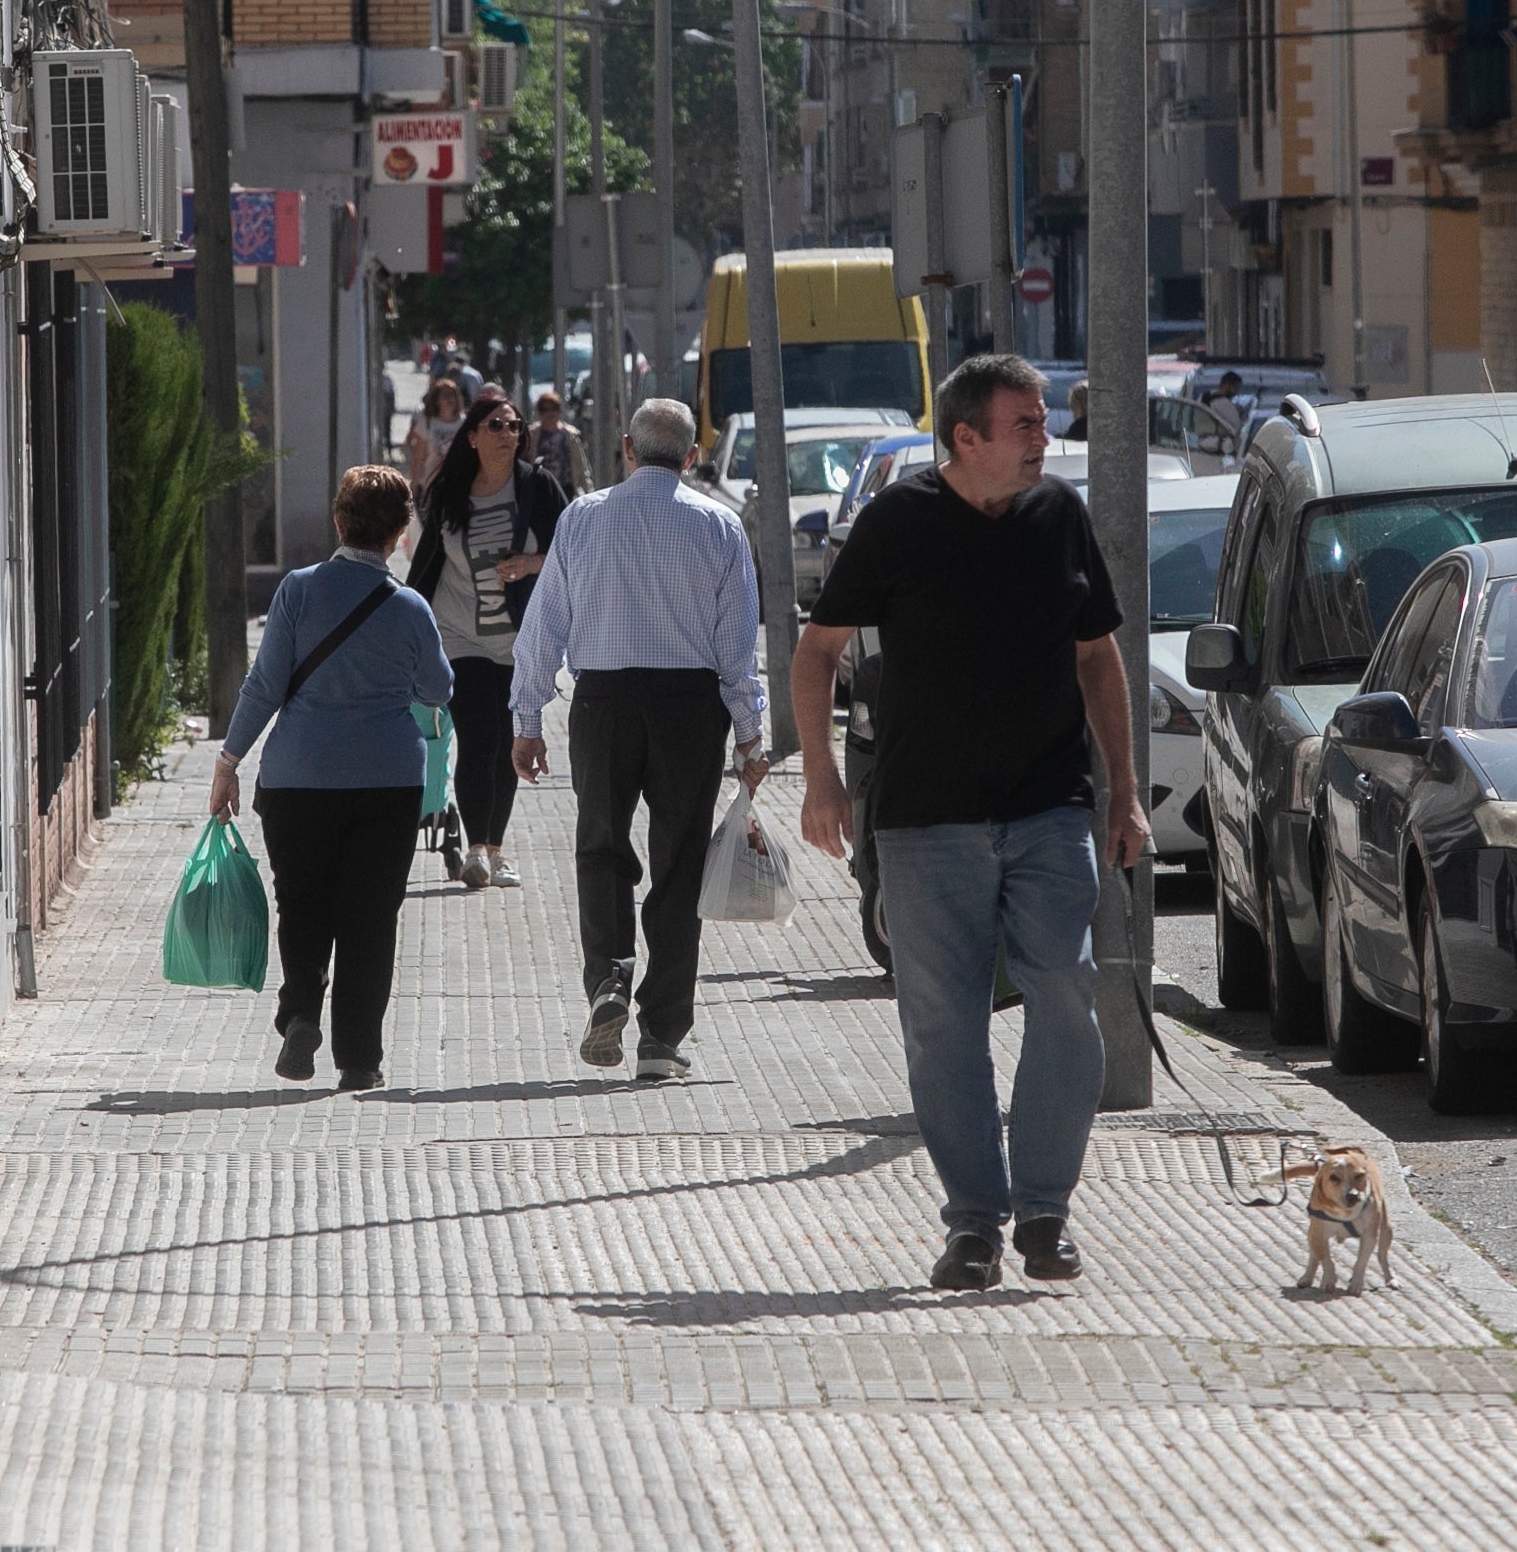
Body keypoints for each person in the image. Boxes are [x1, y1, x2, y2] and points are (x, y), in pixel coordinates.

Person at [790, 353, 1147, 1292]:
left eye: (1042, 420)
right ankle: (975, 1225)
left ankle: (1046, 1209)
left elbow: (1098, 657)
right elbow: (817, 651)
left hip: (1049, 807)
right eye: (1024, 423)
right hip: (924, 819)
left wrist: (1125, 791)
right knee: (944, 1026)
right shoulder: (896, 522)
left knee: (1064, 993)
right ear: (966, 437)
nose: (1043, 437)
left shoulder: (1059, 514)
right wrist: (820, 775)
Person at [509, 398, 768, 1082]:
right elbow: (736, 646)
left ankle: (608, 980)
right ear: (691, 456)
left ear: (627, 448)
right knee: (679, 864)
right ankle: (660, 1035)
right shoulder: (719, 524)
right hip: (690, 709)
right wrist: (750, 735)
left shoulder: (582, 517)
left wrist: (527, 720)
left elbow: (544, 626)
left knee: (601, 846)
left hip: (603, 703)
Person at [211, 465, 454, 1093]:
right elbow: (439, 688)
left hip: (298, 780)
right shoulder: (410, 607)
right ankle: (360, 1059)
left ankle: (300, 1013)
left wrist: (228, 762)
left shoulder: (297, 590)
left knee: (302, 905)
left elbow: (265, 685)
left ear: (339, 521)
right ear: (399, 535)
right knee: (371, 917)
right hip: (388, 782)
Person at [407, 394, 566, 890]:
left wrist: (531, 564)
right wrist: (404, 625)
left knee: (508, 742)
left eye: (514, 426)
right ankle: (476, 849)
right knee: (480, 736)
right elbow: (427, 564)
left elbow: (573, 549)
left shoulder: (537, 487)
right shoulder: (450, 492)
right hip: (460, 634)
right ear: (472, 436)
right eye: (496, 425)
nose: (507, 434)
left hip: (519, 637)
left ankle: (496, 850)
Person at [404, 378, 466, 494]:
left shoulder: (463, 423)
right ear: (437, 400)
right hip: (430, 483)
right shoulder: (427, 422)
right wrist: (414, 485)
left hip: (455, 483)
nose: (450, 399)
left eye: (453, 395)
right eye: (445, 395)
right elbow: (418, 456)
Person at [527, 390, 592, 497]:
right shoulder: (532, 435)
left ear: (559, 411)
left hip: (566, 488)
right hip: (540, 489)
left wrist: (588, 490)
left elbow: (580, 464)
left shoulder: (570, 435)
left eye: (554, 409)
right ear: (540, 412)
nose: (550, 413)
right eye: (545, 410)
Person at [1203, 370, 1249, 454]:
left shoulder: (1203, 397)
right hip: (1218, 449)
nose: (1236, 392)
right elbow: (1236, 429)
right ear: (1227, 385)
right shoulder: (1225, 404)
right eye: (1235, 388)